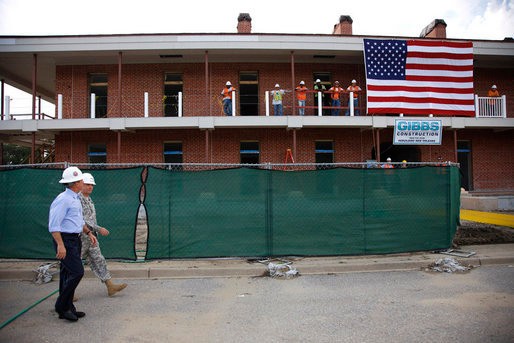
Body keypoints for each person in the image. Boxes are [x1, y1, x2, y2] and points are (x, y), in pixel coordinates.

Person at [49, 166, 97, 322]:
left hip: (74, 239)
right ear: (76, 183)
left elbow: (78, 221)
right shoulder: (63, 200)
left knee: (67, 274)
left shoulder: (75, 198)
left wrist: (89, 233)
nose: (84, 182)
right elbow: (54, 225)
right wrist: (61, 245)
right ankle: (61, 305)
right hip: (65, 240)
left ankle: (68, 309)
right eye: (82, 180)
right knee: (77, 272)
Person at [80, 173, 127, 297]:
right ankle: (68, 292)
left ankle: (110, 285)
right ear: (80, 184)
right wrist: (99, 228)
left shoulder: (88, 199)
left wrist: (95, 231)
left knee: (99, 260)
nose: (90, 187)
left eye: (92, 185)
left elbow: (91, 219)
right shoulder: (78, 200)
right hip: (81, 237)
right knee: (75, 266)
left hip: (91, 237)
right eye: (87, 184)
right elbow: (84, 220)